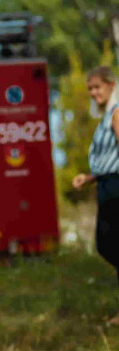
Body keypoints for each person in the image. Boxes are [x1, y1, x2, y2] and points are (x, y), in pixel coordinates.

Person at [73, 65, 119, 285]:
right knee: (108, 246)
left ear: (111, 85)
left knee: (110, 245)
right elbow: (110, 158)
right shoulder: (105, 117)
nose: (93, 93)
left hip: (116, 187)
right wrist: (89, 177)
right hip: (105, 185)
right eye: (90, 88)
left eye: (97, 87)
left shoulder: (117, 114)